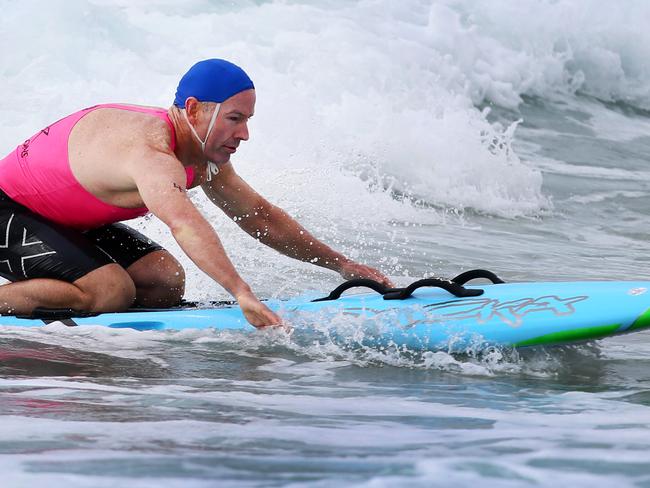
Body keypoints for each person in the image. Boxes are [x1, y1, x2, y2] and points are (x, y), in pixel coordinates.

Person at [0, 58, 391, 327]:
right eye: (234, 119)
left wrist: (341, 265)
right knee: (110, 289)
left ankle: (82, 317)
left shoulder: (200, 155)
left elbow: (258, 216)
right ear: (194, 110)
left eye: (248, 120)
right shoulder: (151, 152)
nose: (244, 134)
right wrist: (242, 294)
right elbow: (184, 224)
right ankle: (83, 298)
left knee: (163, 279)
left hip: (56, 218)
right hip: (7, 209)